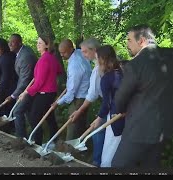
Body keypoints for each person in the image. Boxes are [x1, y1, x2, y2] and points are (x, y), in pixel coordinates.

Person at [112, 24, 173, 167]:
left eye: (129, 40)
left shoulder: (135, 65)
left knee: (119, 165)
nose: (127, 44)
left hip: (140, 130)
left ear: (141, 40)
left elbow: (120, 99)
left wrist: (121, 109)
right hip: (168, 127)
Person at [19, 35, 63, 145]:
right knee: (49, 117)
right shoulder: (52, 58)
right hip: (51, 92)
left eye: (40, 43)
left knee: (34, 116)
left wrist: (26, 92)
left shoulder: (44, 60)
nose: (37, 45)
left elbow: (39, 83)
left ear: (47, 45)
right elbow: (59, 70)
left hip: (44, 93)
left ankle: (37, 141)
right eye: (37, 42)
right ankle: (55, 140)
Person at [69, 37, 104, 167]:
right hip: (108, 102)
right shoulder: (101, 62)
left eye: (84, 52)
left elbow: (92, 95)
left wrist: (79, 111)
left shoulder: (99, 68)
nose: (83, 55)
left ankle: (97, 162)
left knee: (97, 131)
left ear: (94, 50)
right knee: (98, 130)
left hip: (111, 103)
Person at [90, 45, 124, 167]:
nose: (96, 62)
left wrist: (99, 118)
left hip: (116, 118)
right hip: (131, 117)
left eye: (96, 59)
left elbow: (107, 103)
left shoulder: (107, 78)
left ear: (102, 59)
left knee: (108, 158)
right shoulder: (122, 71)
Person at [52, 39, 91, 140]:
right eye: (60, 53)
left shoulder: (75, 65)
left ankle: (69, 150)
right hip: (84, 94)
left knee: (72, 123)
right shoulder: (78, 53)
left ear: (71, 49)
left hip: (80, 98)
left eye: (63, 52)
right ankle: (80, 148)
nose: (61, 55)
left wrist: (57, 103)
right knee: (80, 124)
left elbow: (71, 93)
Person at [6, 34, 37, 138]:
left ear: (19, 43)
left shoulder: (25, 56)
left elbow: (25, 79)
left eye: (13, 42)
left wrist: (14, 95)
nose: (9, 44)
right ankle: (33, 137)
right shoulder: (21, 52)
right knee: (29, 114)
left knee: (17, 111)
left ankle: (21, 139)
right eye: (9, 41)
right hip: (27, 88)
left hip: (29, 89)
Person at [0, 38, 18, 130]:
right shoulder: (11, 55)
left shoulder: (4, 59)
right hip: (13, 84)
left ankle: (6, 127)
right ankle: (11, 126)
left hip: (8, 87)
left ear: (3, 47)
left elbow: (5, 76)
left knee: (6, 108)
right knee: (11, 108)